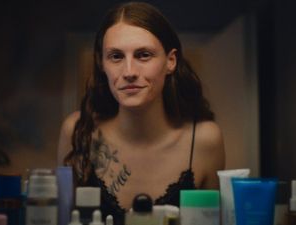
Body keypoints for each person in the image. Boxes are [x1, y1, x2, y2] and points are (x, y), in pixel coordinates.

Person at [57, 2, 225, 224]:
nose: (129, 72)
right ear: (102, 64)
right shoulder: (77, 131)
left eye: (143, 55)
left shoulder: (205, 140)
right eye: (116, 56)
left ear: (170, 61)